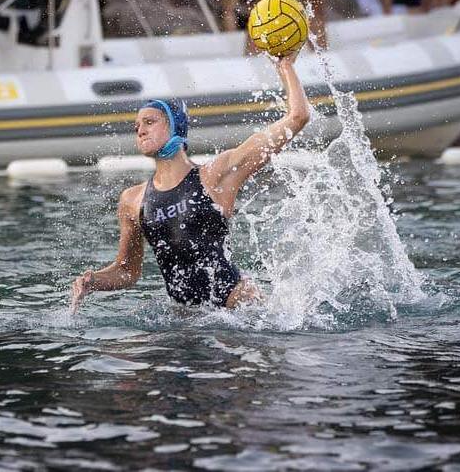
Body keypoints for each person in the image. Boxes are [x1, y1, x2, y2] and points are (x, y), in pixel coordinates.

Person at [70, 52, 310, 313]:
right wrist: (93, 282)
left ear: (175, 127)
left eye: (150, 122)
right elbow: (128, 271)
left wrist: (284, 66)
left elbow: (297, 117)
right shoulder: (132, 200)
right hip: (185, 319)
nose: (140, 129)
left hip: (238, 307)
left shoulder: (215, 175)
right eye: (137, 125)